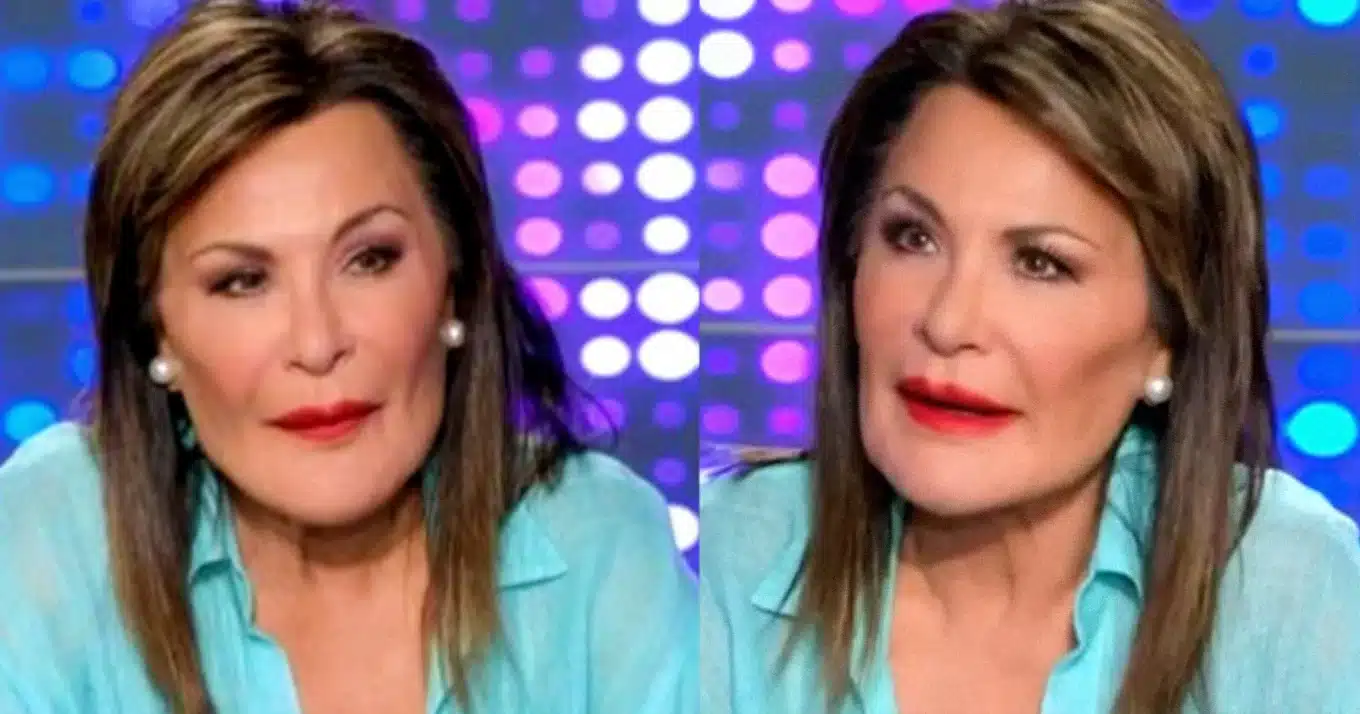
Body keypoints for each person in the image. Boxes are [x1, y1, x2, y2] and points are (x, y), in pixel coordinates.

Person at [0, 1, 695, 713]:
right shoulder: (52, 535)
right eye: (242, 281)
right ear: (156, 332)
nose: (317, 343)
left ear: (454, 283)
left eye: (369, 260)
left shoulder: (599, 539)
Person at [699, 0, 1360, 712]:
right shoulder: (721, 559)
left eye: (1041, 263)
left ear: (1169, 335)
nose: (948, 322)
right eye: (914, 238)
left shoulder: (1294, 594)